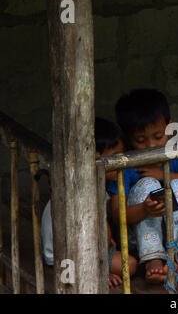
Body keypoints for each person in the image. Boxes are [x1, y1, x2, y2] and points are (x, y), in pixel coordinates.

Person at [113, 89, 178, 289]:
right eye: (140, 140)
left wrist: (164, 176)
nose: (151, 145)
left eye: (158, 136)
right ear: (129, 139)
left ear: (170, 127)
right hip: (140, 241)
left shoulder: (176, 156)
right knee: (146, 185)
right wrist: (145, 210)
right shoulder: (126, 166)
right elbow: (115, 215)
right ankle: (153, 260)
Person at [40, 117, 138, 289]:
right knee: (125, 266)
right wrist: (100, 271)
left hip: (90, 248)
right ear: (93, 157)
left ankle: (96, 267)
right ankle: (93, 272)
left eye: (122, 154)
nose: (120, 161)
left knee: (129, 264)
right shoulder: (80, 193)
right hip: (66, 254)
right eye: (115, 156)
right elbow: (74, 238)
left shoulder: (99, 186)